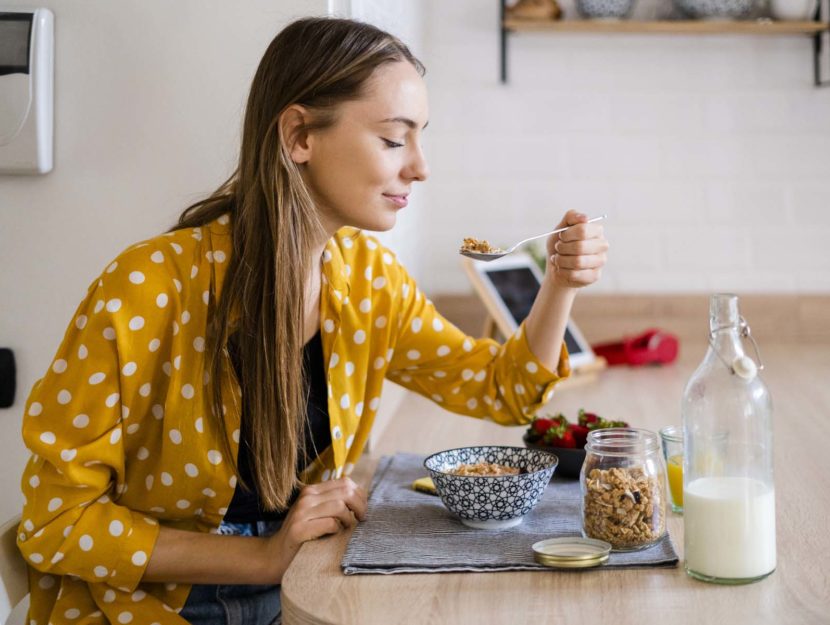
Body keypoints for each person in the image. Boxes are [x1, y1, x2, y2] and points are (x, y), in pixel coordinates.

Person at [16, 16, 608, 625]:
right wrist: (264, 557)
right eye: (393, 139)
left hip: (306, 584)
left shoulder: (370, 281)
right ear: (299, 134)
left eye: (420, 137)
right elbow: (57, 521)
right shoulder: (147, 288)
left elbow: (501, 391)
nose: (420, 167)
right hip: (150, 604)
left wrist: (559, 285)